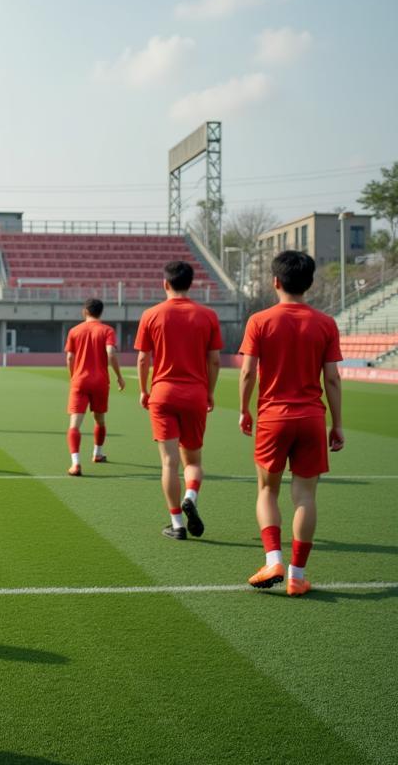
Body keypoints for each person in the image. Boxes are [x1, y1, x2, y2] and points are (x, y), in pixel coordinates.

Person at [239, 251, 344, 596]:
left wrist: (244, 410)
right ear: (310, 283)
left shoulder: (259, 321)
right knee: (305, 496)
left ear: (275, 281)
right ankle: (297, 576)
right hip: (312, 418)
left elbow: (248, 371)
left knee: (267, 490)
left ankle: (273, 560)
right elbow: (332, 379)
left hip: (273, 417)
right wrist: (337, 423)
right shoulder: (326, 323)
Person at [135, 260, 222, 540]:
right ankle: (191, 497)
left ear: (165, 284)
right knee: (193, 460)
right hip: (195, 394)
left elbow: (142, 357)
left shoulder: (151, 314)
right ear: (191, 283)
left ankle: (176, 524)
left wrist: (144, 389)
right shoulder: (208, 315)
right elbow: (215, 360)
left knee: (169, 463)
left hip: (163, 393)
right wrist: (209, 391)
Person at [64, 298, 125, 475]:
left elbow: (69, 357)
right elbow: (111, 353)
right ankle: (98, 453)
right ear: (101, 312)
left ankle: (75, 463)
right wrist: (119, 376)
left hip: (80, 381)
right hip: (100, 382)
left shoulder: (74, 331)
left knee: (75, 424)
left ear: (85, 311)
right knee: (100, 419)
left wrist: (73, 376)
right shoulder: (107, 330)